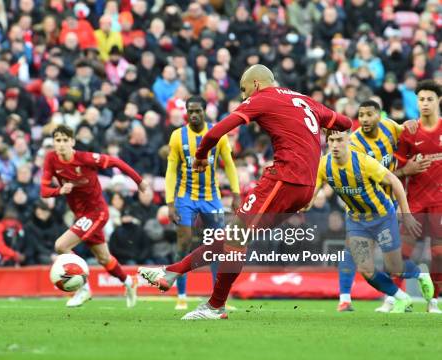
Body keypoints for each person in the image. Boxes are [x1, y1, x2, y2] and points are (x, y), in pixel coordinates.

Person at [139, 64, 353, 320]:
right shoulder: (304, 99)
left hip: (285, 178)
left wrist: (200, 156)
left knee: (235, 237)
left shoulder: (263, 98)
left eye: (244, 90)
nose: (243, 97)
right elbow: (345, 122)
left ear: (257, 84)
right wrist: (325, 128)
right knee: (235, 239)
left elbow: (216, 132)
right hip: (305, 187)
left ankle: (211, 303)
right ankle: (176, 274)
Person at [310, 130, 434, 313]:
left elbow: (395, 182)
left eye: (339, 140)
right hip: (357, 220)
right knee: (366, 270)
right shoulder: (323, 165)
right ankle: (402, 297)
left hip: (382, 216)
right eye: (331, 140)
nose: (335, 145)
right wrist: (301, 204)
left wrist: (406, 214)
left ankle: (419, 273)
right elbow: (310, 195)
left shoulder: (363, 162)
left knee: (393, 266)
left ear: (348, 141)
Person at [41, 125, 149, 308]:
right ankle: (129, 282)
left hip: (97, 212)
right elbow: (43, 191)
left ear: (72, 142)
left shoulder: (85, 158)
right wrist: (59, 190)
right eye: (57, 140)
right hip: (82, 215)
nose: (61, 144)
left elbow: (116, 162)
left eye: (65, 140)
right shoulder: (51, 159)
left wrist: (139, 181)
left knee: (61, 246)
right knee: (104, 259)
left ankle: (83, 289)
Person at [336, 100, 419, 312]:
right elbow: (369, 179)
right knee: (354, 251)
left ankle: (398, 294)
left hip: (387, 204)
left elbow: (405, 132)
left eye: (369, 114)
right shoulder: (354, 143)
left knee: (391, 259)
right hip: (361, 206)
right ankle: (345, 298)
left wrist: (410, 124)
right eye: (361, 115)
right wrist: (404, 172)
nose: (364, 119)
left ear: (379, 116)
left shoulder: (390, 127)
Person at [164, 95, 240, 310]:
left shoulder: (218, 134)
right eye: (191, 111)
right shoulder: (178, 137)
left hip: (211, 198)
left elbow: (230, 165)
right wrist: (170, 202)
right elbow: (171, 170)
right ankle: (181, 295)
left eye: (198, 111)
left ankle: (218, 298)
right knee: (184, 241)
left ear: (205, 111)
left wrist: (235, 194)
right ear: (186, 113)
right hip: (185, 197)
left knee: (219, 246)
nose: (194, 115)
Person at [394, 80, 442, 313]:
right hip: (414, 202)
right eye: (421, 99)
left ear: (438, 100)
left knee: (439, 254)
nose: (424, 103)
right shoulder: (409, 132)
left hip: (439, 204)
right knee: (401, 252)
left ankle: (434, 301)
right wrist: (398, 201)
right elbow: (396, 173)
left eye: (429, 99)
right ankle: (395, 298)